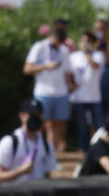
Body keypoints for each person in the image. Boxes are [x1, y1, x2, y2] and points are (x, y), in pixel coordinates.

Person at [23, 20, 73, 153]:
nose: (59, 44)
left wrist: (70, 86)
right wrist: (45, 66)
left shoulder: (64, 50)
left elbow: (67, 72)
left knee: (60, 123)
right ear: (53, 37)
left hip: (61, 92)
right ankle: (41, 149)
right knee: (43, 123)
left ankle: (57, 151)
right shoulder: (39, 47)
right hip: (43, 92)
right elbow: (27, 69)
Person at [0, 99, 59, 182]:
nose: (35, 118)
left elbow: (47, 176)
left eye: (38, 115)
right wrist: (21, 171)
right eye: (31, 115)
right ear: (22, 116)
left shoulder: (47, 145)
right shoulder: (9, 142)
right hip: (14, 193)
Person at [68, 30, 107, 151]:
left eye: (88, 41)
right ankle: (85, 151)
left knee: (99, 126)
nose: (85, 43)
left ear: (94, 43)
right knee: (83, 126)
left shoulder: (99, 55)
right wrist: (71, 85)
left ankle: (102, 148)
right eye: (83, 41)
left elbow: (95, 66)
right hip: (78, 98)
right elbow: (67, 74)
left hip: (94, 98)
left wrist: (88, 53)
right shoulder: (73, 57)